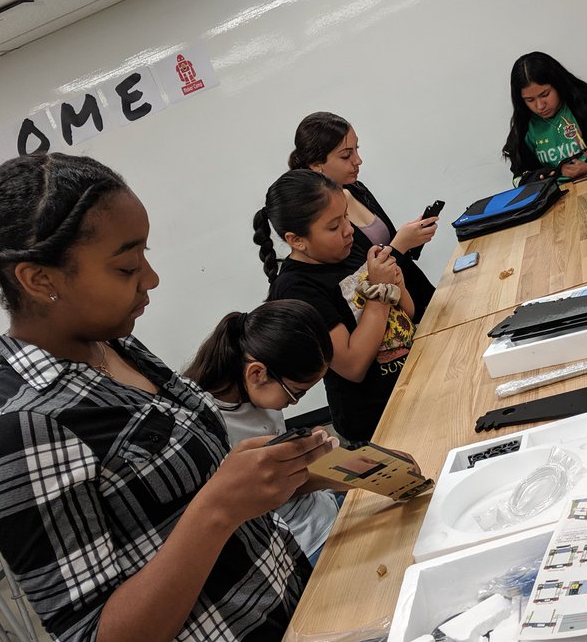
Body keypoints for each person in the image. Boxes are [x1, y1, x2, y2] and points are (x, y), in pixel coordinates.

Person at [0, 152, 335, 642]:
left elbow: (176, 492)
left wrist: (280, 476)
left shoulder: (111, 346)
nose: (150, 279)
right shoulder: (21, 432)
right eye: (126, 267)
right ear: (39, 279)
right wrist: (217, 509)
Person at [254, 169, 414, 443]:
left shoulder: (347, 249)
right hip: (375, 418)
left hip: (410, 383)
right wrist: (378, 291)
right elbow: (353, 366)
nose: (349, 229)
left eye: (346, 216)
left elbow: (406, 315)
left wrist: (396, 283)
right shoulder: (296, 288)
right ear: (296, 240)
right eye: (333, 226)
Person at [184, 300, 347, 566]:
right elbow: (264, 495)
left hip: (323, 509)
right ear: (257, 373)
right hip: (303, 545)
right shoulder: (214, 428)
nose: (294, 403)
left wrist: (313, 450)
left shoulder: (254, 395)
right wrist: (334, 475)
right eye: (296, 393)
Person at [288, 111, 436, 321]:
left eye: (357, 149)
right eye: (346, 155)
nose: (358, 160)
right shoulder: (321, 218)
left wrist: (411, 238)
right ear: (316, 165)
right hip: (393, 317)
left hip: (416, 292)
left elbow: (389, 244)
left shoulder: (357, 189)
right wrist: (400, 245)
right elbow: (360, 279)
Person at [502, 51, 587, 184]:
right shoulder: (524, 126)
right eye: (530, 100)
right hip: (557, 199)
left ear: (558, 84)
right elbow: (517, 179)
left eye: (545, 94)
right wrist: (538, 177)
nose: (540, 106)